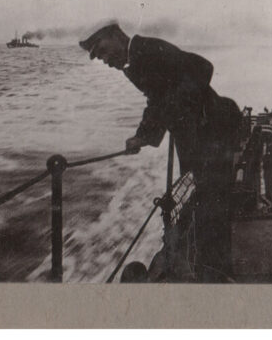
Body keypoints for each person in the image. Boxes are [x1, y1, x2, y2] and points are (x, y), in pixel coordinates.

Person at [79, 23, 241, 282]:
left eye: (103, 51)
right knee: (208, 200)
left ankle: (218, 275)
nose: (104, 60)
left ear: (116, 36)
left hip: (214, 132)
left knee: (214, 203)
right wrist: (142, 135)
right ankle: (214, 268)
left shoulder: (149, 49)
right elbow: (157, 99)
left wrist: (175, 111)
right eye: (99, 57)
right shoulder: (135, 63)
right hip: (201, 139)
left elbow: (202, 68)